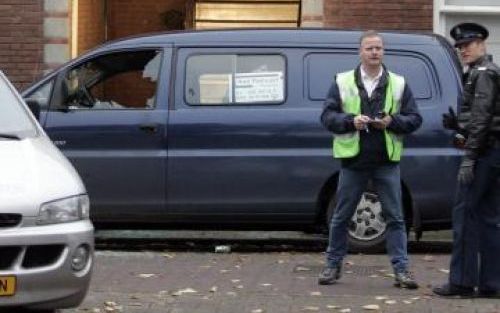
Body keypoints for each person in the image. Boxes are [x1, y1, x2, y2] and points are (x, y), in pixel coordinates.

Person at [318, 30, 422, 288]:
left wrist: (392, 121)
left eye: (378, 48)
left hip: (386, 161)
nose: (375, 52)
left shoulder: (398, 83)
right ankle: (333, 266)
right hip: (354, 161)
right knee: (341, 216)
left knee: (396, 218)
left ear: (383, 51)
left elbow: (415, 119)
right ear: (360, 52)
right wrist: (350, 121)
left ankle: (401, 270)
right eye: (369, 48)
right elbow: (327, 116)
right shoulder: (342, 81)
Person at [433, 22, 500, 298]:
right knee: (489, 218)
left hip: (484, 153)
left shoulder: (483, 73)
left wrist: (470, 158)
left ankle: (461, 281)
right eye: (460, 47)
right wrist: (459, 127)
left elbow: (483, 118)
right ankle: (492, 284)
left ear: (482, 44)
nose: (463, 50)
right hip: (493, 152)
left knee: (464, 214)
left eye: (468, 45)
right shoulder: (485, 72)